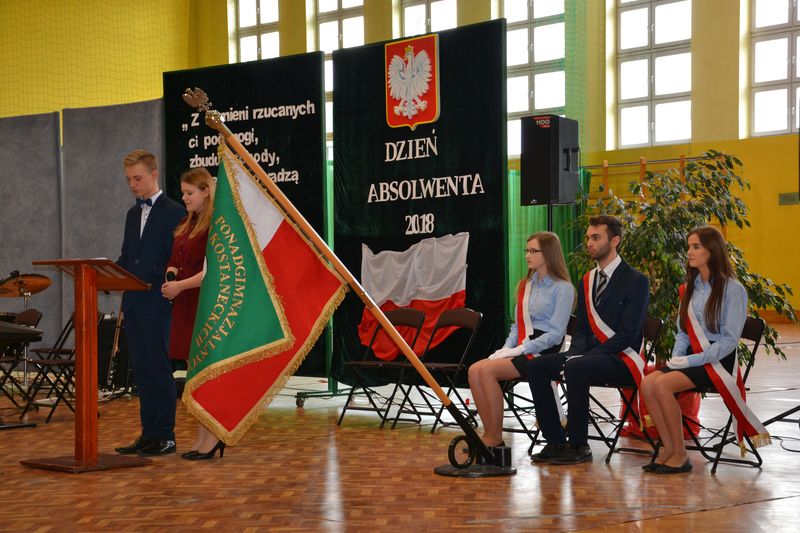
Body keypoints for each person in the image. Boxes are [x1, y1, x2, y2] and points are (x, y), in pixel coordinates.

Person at [639, 226, 762, 474]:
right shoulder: (691, 287)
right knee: (647, 384)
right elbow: (683, 331)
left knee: (661, 385)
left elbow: (729, 341)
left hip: (718, 362)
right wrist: (677, 357)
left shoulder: (733, 290)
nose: (689, 252)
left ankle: (681, 455)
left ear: (712, 251)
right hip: (693, 358)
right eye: (689, 247)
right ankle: (669, 448)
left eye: (696, 247)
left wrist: (691, 360)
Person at [527, 214, 649, 465]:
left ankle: (579, 445)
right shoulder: (587, 280)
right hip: (587, 357)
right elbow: (581, 328)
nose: (589, 243)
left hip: (621, 358)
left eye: (596, 237)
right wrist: (576, 351)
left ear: (614, 241)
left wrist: (584, 357)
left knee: (576, 366)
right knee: (537, 366)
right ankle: (555, 441)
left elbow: (628, 334)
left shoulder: (636, 280)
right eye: (588, 238)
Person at [467, 232, 574, 450]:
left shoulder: (563, 288)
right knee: (474, 370)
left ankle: (494, 437)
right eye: (527, 250)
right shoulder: (525, 285)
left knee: (486, 372)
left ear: (549, 254)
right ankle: (488, 434)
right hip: (523, 345)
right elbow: (516, 326)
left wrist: (521, 349)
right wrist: (506, 349)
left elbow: (555, 334)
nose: (527, 255)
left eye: (534, 251)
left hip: (545, 349)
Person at [115, 150, 186, 456]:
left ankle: (165, 434)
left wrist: (140, 273)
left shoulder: (174, 212)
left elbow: (175, 259)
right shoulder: (132, 215)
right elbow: (127, 255)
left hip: (157, 302)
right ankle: (148, 433)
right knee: (141, 370)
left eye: (138, 178)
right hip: (133, 303)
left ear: (154, 175)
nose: (133, 185)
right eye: (129, 180)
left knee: (158, 368)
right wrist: (109, 273)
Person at [159, 168, 223, 460]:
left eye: (189, 193)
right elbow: (176, 259)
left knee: (204, 373)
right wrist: (171, 274)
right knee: (194, 373)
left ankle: (213, 435)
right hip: (185, 303)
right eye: (183, 192)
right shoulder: (188, 223)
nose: (184, 198)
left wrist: (180, 286)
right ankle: (202, 435)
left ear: (206, 192)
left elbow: (212, 272)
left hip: (202, 303)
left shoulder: (216, 226)